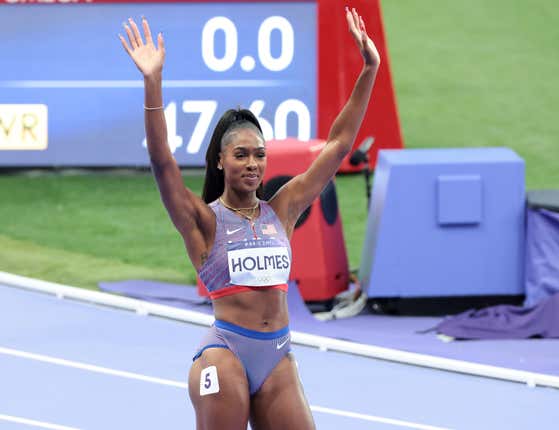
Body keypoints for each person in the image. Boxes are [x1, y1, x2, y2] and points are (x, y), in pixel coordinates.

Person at [119, 6, 379, 429]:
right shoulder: (202, 221)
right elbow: (161, 160)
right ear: (220, 162)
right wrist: (153, 82)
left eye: (259, 154)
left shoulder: (283, 209)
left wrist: (369, 69)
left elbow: (339, 144)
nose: (253, 163)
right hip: (224, 358)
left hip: (278, 356)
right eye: (241, 155)